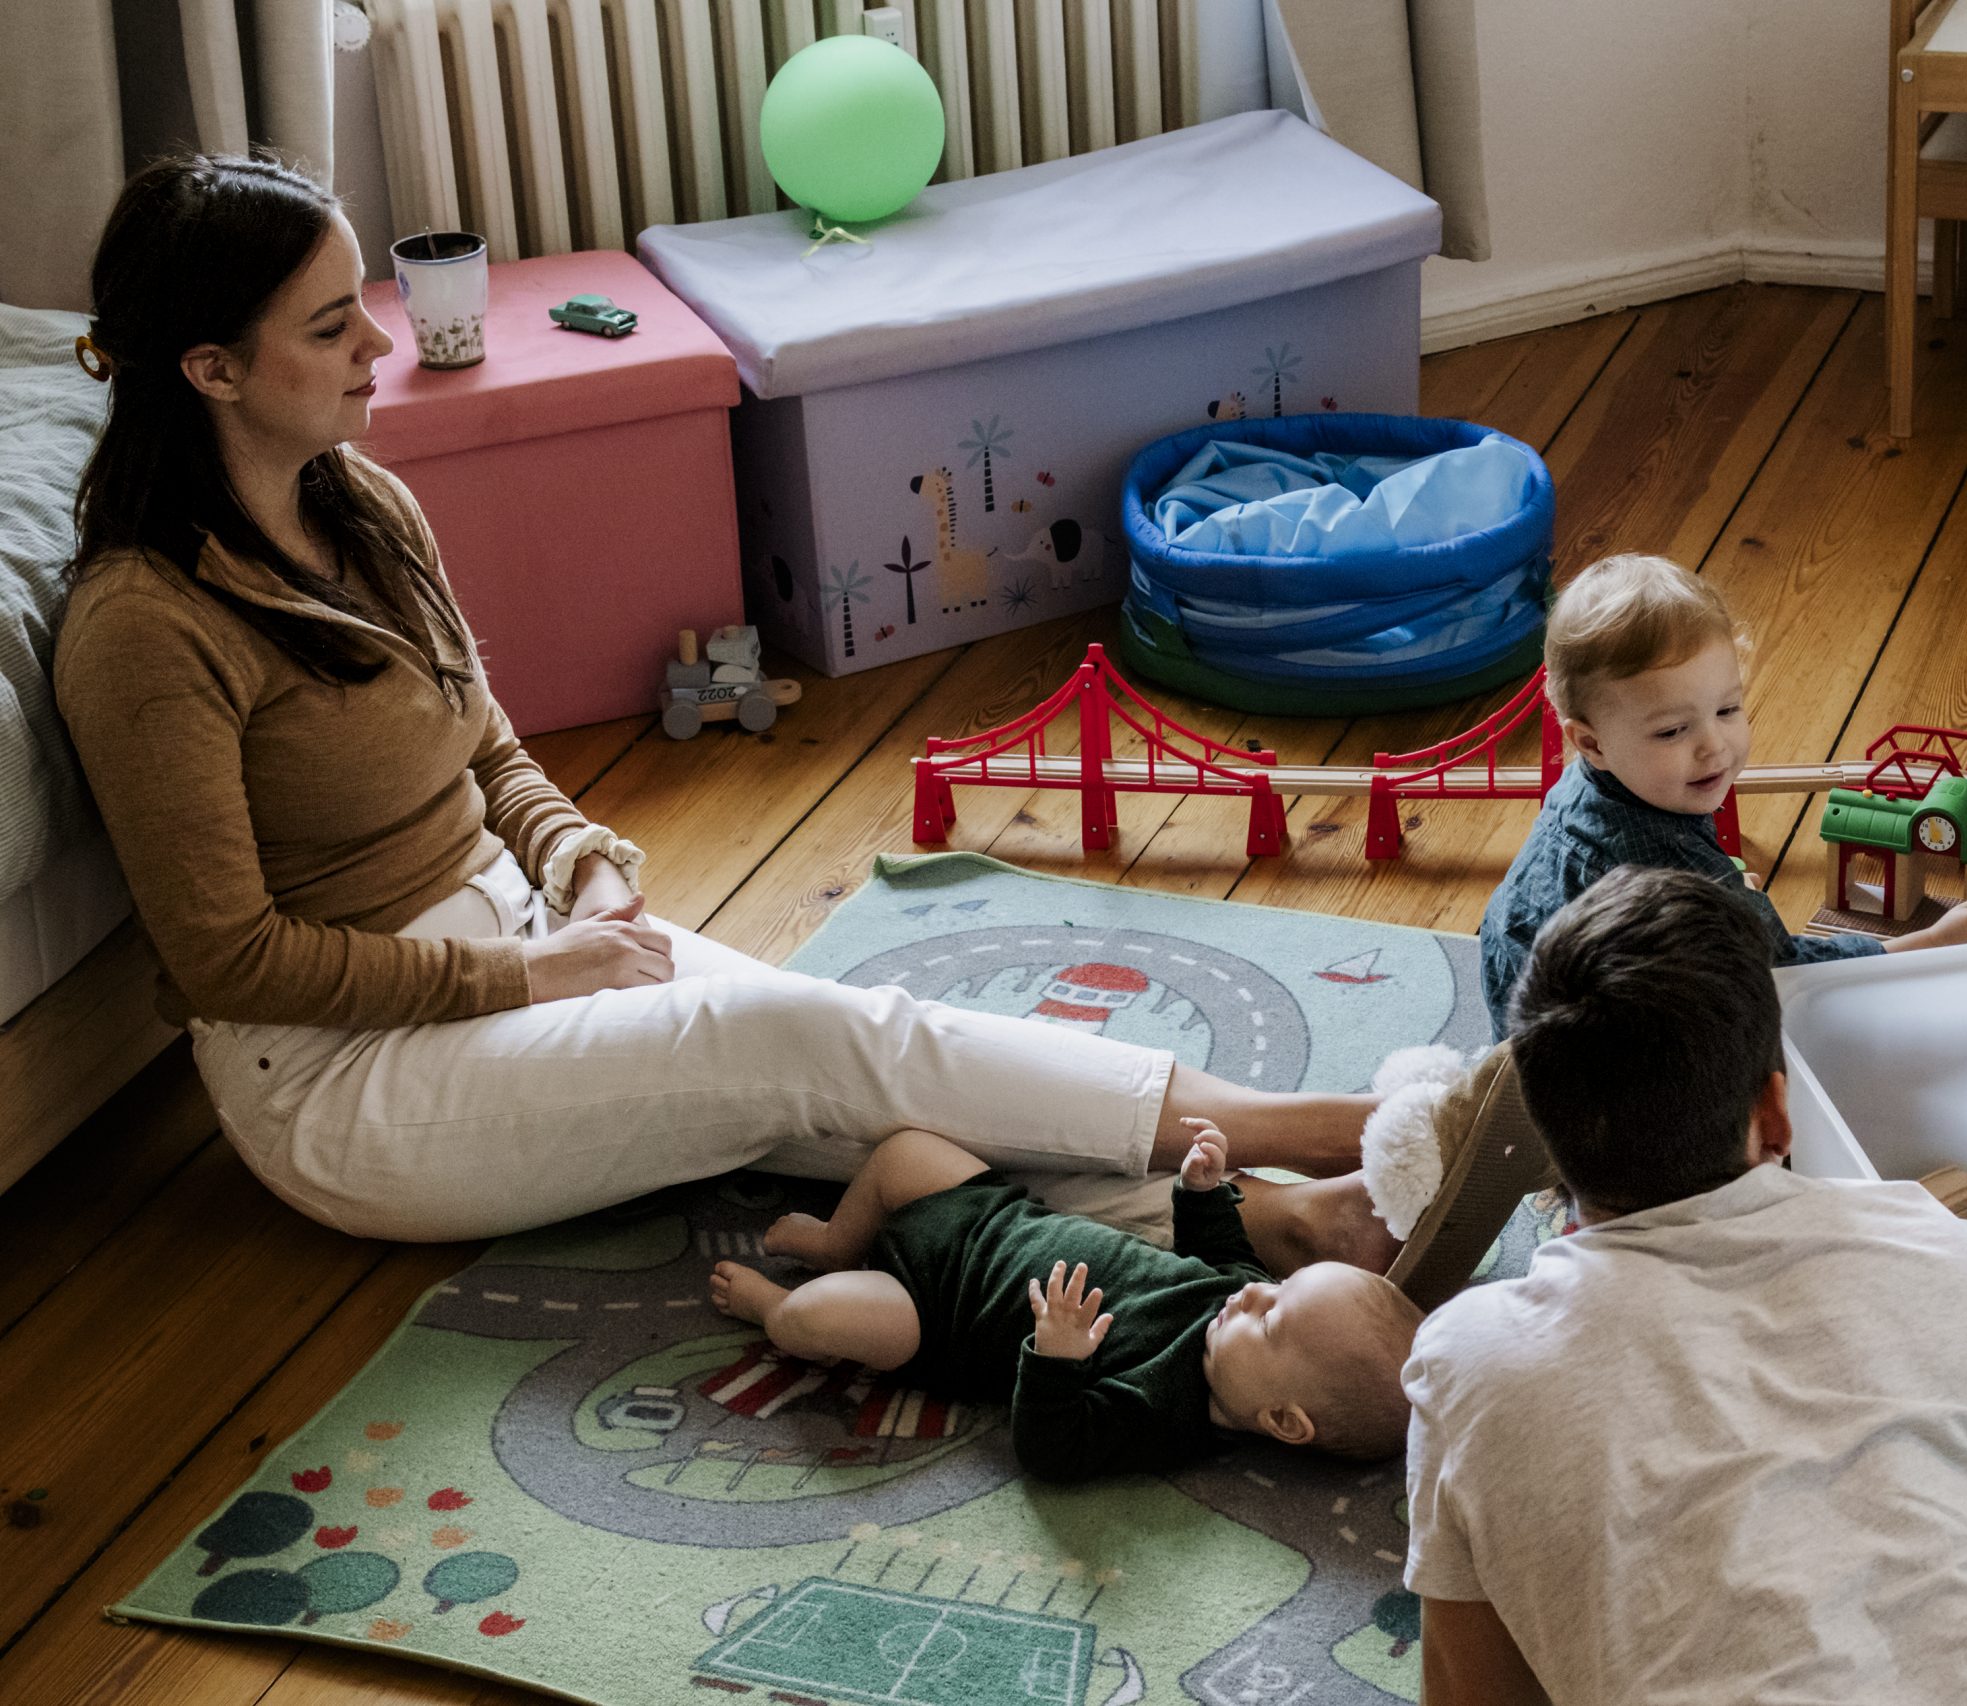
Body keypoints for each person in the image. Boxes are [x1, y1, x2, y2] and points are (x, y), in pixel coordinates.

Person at [51, 154, 1390, 1262]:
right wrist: (525, 972)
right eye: (331, 323)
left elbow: (489, 747)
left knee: (865, 1071)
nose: (380, 341)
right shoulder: (145, 628)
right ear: (213, 369)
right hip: (350, 1077)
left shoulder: (365, 502)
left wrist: (573, 867)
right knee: (798, 1040)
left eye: (366, 302)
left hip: (515, 945)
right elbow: (232, 962)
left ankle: (1257, 1216)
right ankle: (1305, 1126)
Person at [1405, 867, 1967, 1706]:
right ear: (1777, 1114)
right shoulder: (1945, 1246)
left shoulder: (1473, 1357)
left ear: (1549, 1134)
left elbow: (1470, 1692)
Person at [1477, 552, 1967, 1025]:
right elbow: (1784, 977)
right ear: (1591, 743)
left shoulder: (1590, 784)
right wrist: (1928, 944)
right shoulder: (1675, 871)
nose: (1714, 746)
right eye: (1672, 731)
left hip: (1516, 992)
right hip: (1592, 1063)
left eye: (1728, 709)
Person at [708, 1118, 1420, 1482]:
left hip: (931, 1315)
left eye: (1273, 1319)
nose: (1257, 1293)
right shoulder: (1234, 1293)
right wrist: (1203, 1192)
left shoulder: (1161, 1416)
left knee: (814, 1318)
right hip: (992, 1217)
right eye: (1280, 1287)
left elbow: (1051, 1450)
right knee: (906, 1150)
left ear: (1284, 1420)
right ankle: (838, 1239)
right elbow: (1221, 1248)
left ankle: (772, 1307)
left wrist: (1056, 1358)